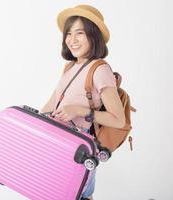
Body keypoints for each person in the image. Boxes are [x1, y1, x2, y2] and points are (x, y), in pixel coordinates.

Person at [40, 5, 125, 200]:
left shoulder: (100, 69)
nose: (72, 40)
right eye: (68, 34)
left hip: (78, 147)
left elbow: (118, 120)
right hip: (58, 141)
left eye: (80, 33)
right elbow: (52, 103)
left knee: (78, 195)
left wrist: (79, 109)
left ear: (93, 35)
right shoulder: (70, 66)